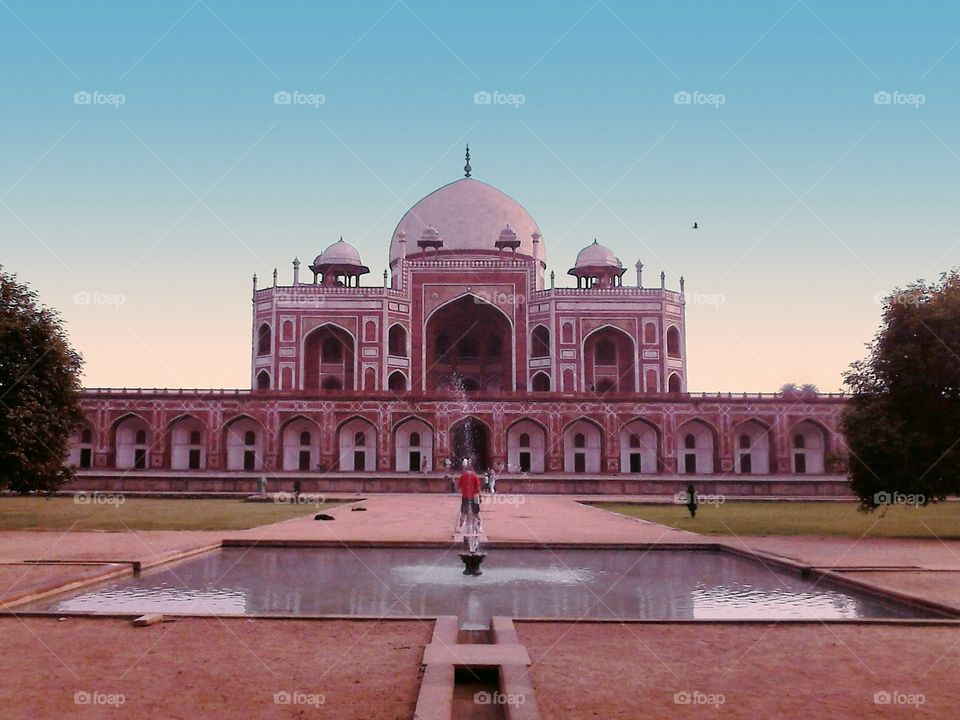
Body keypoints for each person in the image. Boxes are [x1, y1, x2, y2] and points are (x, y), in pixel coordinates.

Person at [456, 459, 482, 533]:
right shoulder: (474, 476)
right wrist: (480, 497)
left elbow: (458, 487)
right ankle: (479, 528)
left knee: (463, 512)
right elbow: (478, 488)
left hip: (465, 496)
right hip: (475, 496)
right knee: (477, 513)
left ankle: (460, 528)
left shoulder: (463, 476)